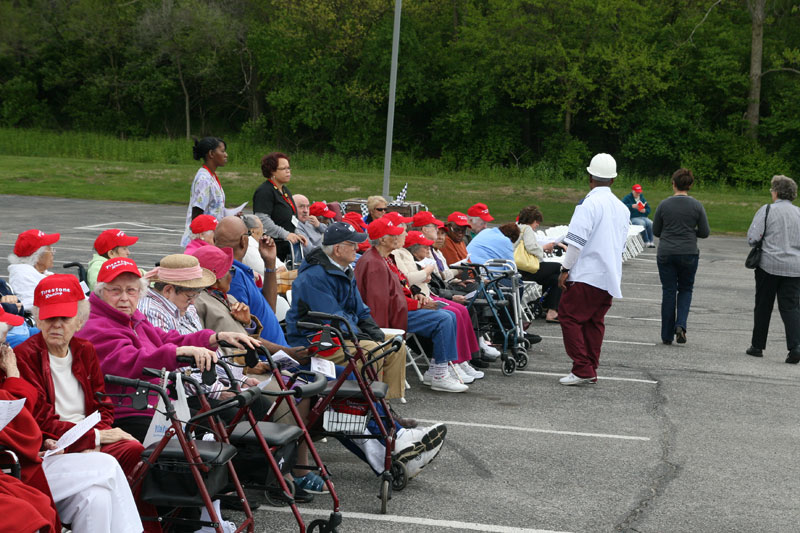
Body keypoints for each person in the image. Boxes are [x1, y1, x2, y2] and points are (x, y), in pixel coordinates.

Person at [14, 274, 158, 532]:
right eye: (49, 317)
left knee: (97, 498)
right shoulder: (25, 356)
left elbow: (103, 405)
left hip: (89, 442)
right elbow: (41, 419)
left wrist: (98, 435)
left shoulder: (84, 349)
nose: (56, 325)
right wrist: (93, 440)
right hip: (55, 448)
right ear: (37, 318)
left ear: (79, 320)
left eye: (65, 318)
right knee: (111, 464)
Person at [77, 257, 259, 442]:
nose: (124, 297)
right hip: (127, 410)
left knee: (224, 424)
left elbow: (164, 338)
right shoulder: (96, 324)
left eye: (131, 290)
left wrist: (214, 338)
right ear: (100, 292)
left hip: (156, 403)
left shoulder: (131, 315)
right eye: (116, 290)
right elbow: (130, 360)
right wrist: (176, 353)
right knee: (215, 430)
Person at [286, 222, 409, 399]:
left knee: (396, 344)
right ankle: (368, 408)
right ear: (337, 249)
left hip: (339, 333)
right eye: (351, 244)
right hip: (315, 340)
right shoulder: (313, 276)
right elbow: (332, 319)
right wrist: (364, 336)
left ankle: (386, 405)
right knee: (371, 351)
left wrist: (375, 333)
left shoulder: (343, 269)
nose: (357, 248)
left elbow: (361, 310)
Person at [355, 217, 467, 393]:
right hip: (391, 316)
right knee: (443, 319)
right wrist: (417, 305)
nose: (401, 235)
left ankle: (438, 368)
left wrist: (418, 295)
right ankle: (439, 373)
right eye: (395, 234)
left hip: (401, 307)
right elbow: (384, 303)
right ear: (383, 239)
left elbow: (400, 286)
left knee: (449, 314)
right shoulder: (374, 263)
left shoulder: (386, 258)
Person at [556, 153, 630, 386]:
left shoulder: (588, 204)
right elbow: (622, 245)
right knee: (593, 321)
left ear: (590, 177)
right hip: (609, 275)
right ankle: (589, 366)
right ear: (613, 180)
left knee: (569, 317)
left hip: (587, 273)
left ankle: (582, 367)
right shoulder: (622, 208)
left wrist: (565, 269)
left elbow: (575, 243)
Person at [395, 230, 484, 381]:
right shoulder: (399, 256)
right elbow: (408, 281)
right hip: (416, 302)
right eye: (425, 246)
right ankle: (447, 365)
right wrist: (427, 273)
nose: (429, 248)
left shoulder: (418, 258)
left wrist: (428, 277)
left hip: (425, 296)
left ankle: (462, 359)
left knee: (461, 310)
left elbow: (427, 282)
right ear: (415, 247)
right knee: (449, 316)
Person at [0, 311, 60, 533]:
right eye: (1, 342)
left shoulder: (85, 350)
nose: (6, 349)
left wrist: (43, 440)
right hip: (12, 460)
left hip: (21, 455)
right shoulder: (18, 362)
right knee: (28, 512)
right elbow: (17, 412)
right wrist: (14, 376)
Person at [214, 216, 297, 350]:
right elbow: (242, 335)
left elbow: (269, 307)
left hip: (279, 354)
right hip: (272, 360)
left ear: (214, 241)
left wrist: (269, 263)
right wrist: (290, 353)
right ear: (243, 241)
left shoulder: (237, 272)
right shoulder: (232, 278)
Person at [745, 174, 800, 362]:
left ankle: (757, 346)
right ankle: (795, 346)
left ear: (776, 192)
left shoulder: (767, 210)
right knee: (791, 307)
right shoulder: (799, 213)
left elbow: (753, 238)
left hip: (768, 265)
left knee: (763, 306)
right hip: (794, 268)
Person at [653, 168, 710, 346]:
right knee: (685, 289)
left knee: (669, 291)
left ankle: (666, 335)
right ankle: (681, 325)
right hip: (688, 252)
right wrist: (690, 231)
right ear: (690, 185)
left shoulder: (664, 205)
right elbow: (705, 232)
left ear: (673, 183)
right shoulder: (696, 206)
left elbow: (656, 230)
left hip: (667, 252)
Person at [252, 152, 308, 262]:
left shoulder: (285, 190)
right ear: (272, 171)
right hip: (273, 247)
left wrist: (297, 234)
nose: (288, 171)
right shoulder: (265, 191)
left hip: (288, 246)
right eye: (283, 168)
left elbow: (291, 218)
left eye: (289, 168)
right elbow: (262, 220)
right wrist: (285, 234)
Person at [516, 205, 565, 323]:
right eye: (537, 222)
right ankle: (550, 308)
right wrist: (544, 248)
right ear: (531, 220)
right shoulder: (527, 229)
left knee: (554, 279)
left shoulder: (516, 228)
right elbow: (532, 248)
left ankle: (550, 310)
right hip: (527, 269)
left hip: (519, 269)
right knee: (560, 268)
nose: (537, 224)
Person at [180, 136, 230, 247]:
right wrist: (202, 242)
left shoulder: (211, 176)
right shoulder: (204, 179)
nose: (225, 154)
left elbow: (213, 208)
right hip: (201, 242)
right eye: (222, 151)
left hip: (209, 238)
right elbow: (197, 213)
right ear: (211, 154)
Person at [7, 229, 59, 308]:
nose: (53, 253)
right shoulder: (22, 277)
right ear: (37, 257)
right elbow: (29, 306)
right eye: (49, 249)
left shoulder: (42, 273)